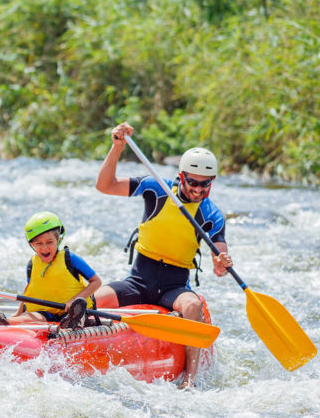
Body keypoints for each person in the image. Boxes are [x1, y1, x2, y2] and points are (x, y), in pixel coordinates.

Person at [93, 122, 234, 388]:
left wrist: (222, 263)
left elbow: (220, 266)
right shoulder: (157, 188)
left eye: (206, 185)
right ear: (181, 177)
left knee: (193, 306)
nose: (199, 190)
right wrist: (117, 147)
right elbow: (105, 185)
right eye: (193, 183)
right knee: (90, 301)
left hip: (174, 286)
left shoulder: (212, 215)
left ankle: (190, 380)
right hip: (137, 280)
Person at [0, 212, 101, 329]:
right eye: (38, 243)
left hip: (72, 311)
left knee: (78, 317)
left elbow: (96, 282)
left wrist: (73, 300)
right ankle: (3, 321)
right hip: (45, 313)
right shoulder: (32, 264)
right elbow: (29, 291)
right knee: (28, 317)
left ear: (58, 240)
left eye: (49, 242)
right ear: (32, 245)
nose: (44, 248)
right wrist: (17, 314)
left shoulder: (70, 259)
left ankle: (70, 325)